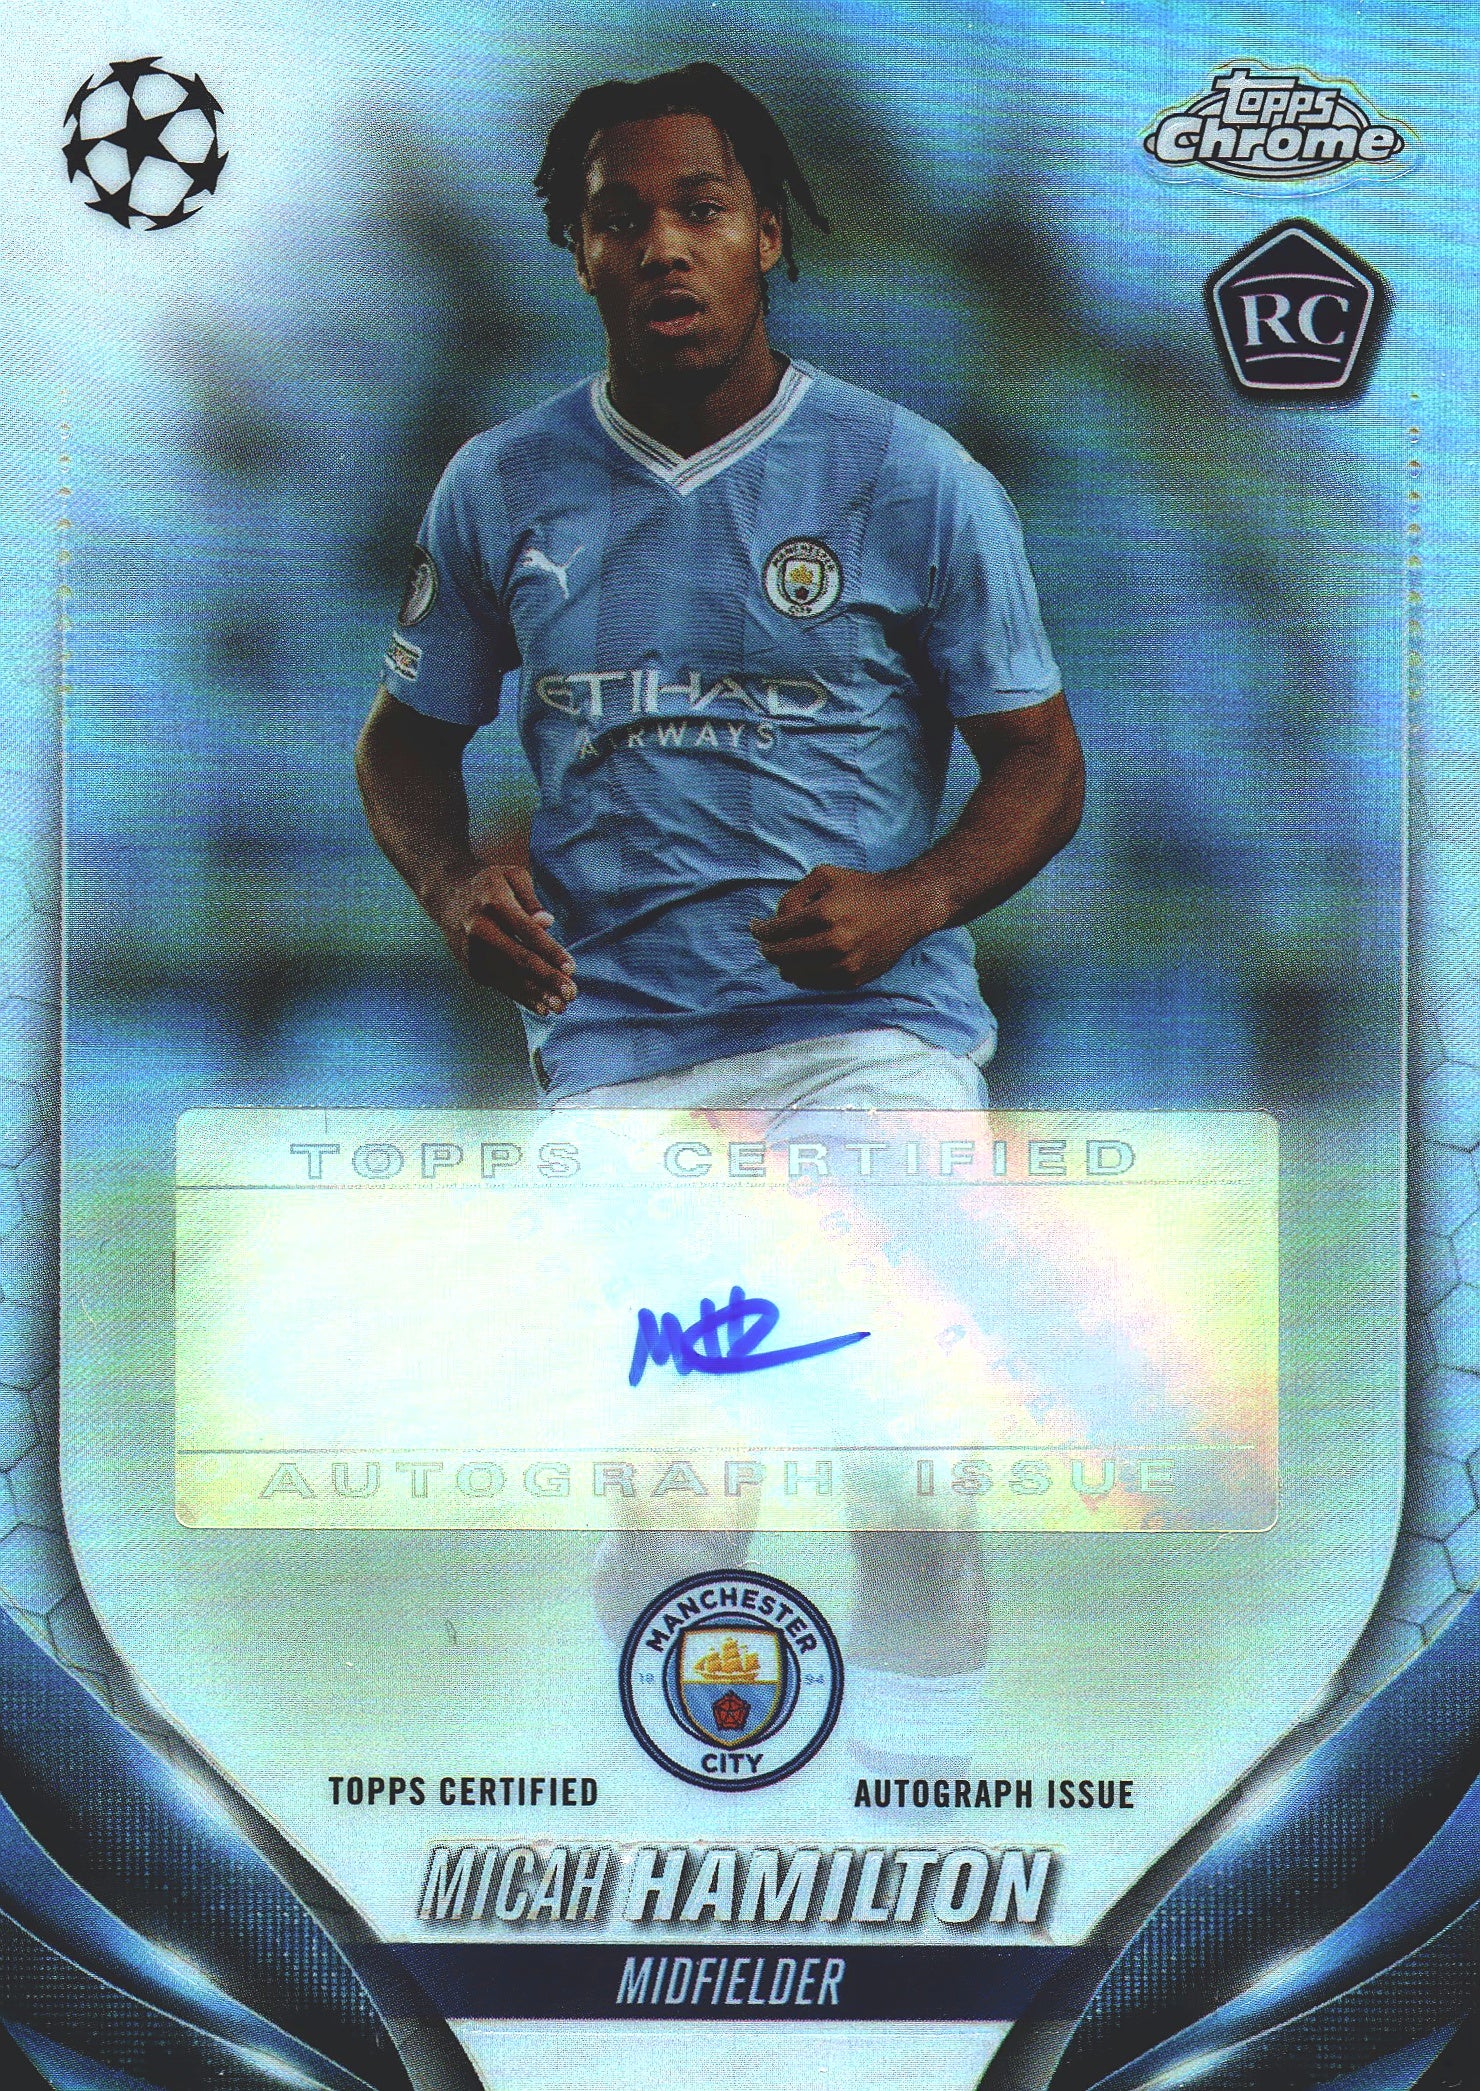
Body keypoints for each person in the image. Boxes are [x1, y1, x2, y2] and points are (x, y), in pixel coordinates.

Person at [355, 63, 1083, 1769]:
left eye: (702, 209)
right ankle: (691, 1827)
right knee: (678, 1516)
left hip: (870, 1050)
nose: (664, 246)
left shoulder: (912, 480)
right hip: (621, 1060)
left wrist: (915, 895)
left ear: (768, 235)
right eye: (621, 217)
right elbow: (402, 746)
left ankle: (916, 1828)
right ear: (576, 251)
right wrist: (453, 879)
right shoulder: (499, 489)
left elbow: (1043, 763)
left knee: (911, 1483)